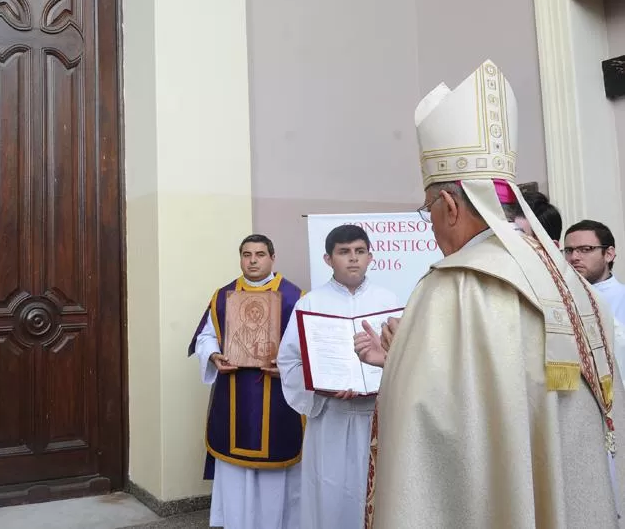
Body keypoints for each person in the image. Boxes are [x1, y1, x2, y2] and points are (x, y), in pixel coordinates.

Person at [353, 60, 625, 528]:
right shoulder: (571, 281)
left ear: (452, 206)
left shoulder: (457, 285)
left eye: (429, 210)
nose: (432, 224)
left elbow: (433, 428)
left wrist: (399, 360)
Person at [276, 224, 398, 528]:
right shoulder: (310, 304)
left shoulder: (390, 301)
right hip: (331, 417)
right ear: (328, 259)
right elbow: (289, 360)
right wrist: (322, 390)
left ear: (371, 257)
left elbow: (406, 355)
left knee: (378, 492)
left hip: (378, 417)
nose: (353, 259)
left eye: (359, 251)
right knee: (329, 494)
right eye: (344, 252)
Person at [187, 234, 304, 529]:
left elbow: (307, 347)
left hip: (278, 396)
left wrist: (288, 366)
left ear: (272, 258)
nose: (253, 260)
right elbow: (205, 338)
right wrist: (214, 356)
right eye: (247, 254)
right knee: (234, 471)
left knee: (275, 471)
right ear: (240, 258)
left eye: (260, 254)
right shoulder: (223, 296)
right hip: (233, 394)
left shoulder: (295, 297)